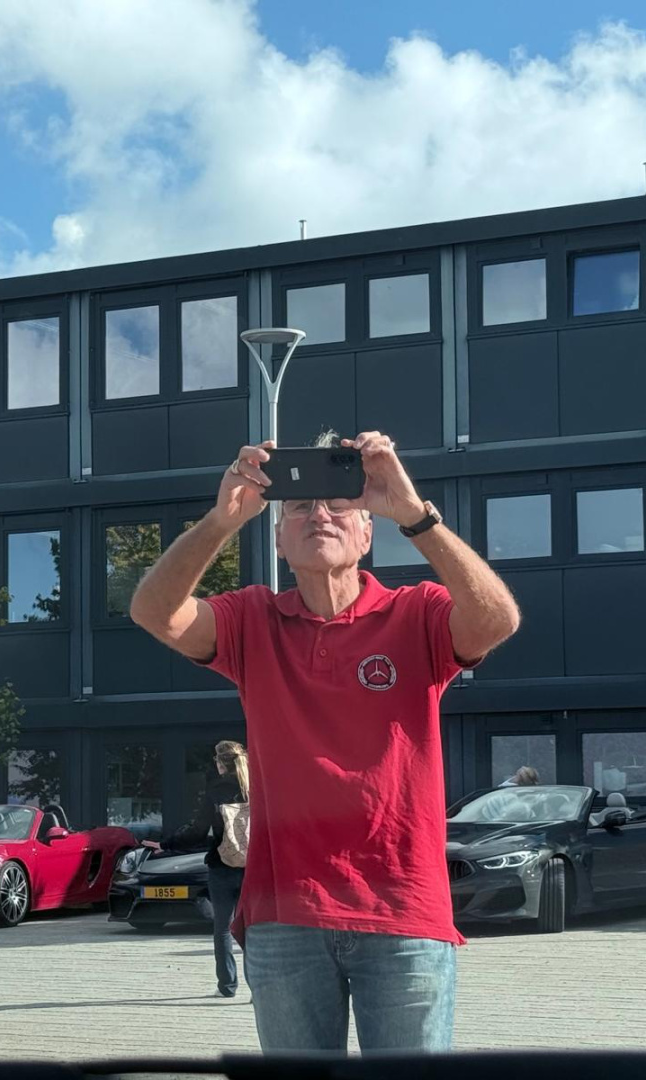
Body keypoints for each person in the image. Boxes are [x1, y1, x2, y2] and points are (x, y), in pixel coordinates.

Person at [130, 430, 519, 1053]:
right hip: (285, 914)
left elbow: (497, 620)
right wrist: (221, 521)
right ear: (279, 540)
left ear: (367, 534)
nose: (320, 515)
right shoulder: (251, 620)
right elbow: (155, 612)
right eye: (300, 507)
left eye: (341, 506)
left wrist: (414, 515)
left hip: (401, 908)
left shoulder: (415, 613)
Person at [146, 740, 251, 998]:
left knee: (223, 928)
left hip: (222, 867)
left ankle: (227, 986)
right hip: (252, 868)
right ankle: (257, 989)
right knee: (254, 929)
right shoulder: (256, 790)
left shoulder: (215, 793)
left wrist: (166, 844)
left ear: (221, 764)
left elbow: (197, 832)